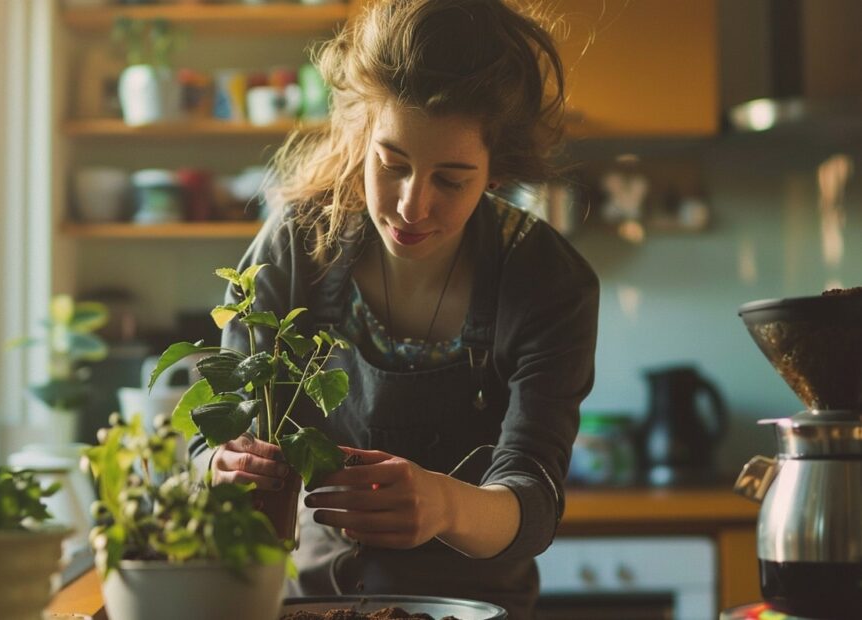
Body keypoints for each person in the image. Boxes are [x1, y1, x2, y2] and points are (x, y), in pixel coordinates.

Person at [189, 0, 599, 616]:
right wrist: (220, 467)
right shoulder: (297, 250)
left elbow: (534, 499)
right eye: (393, 164)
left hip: (473, 608)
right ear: (362, 134)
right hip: (311, 603)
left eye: (451, 179)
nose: (412, 205)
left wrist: (445, 505)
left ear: (495, 171)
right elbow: (210, 444)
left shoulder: (546, 280)